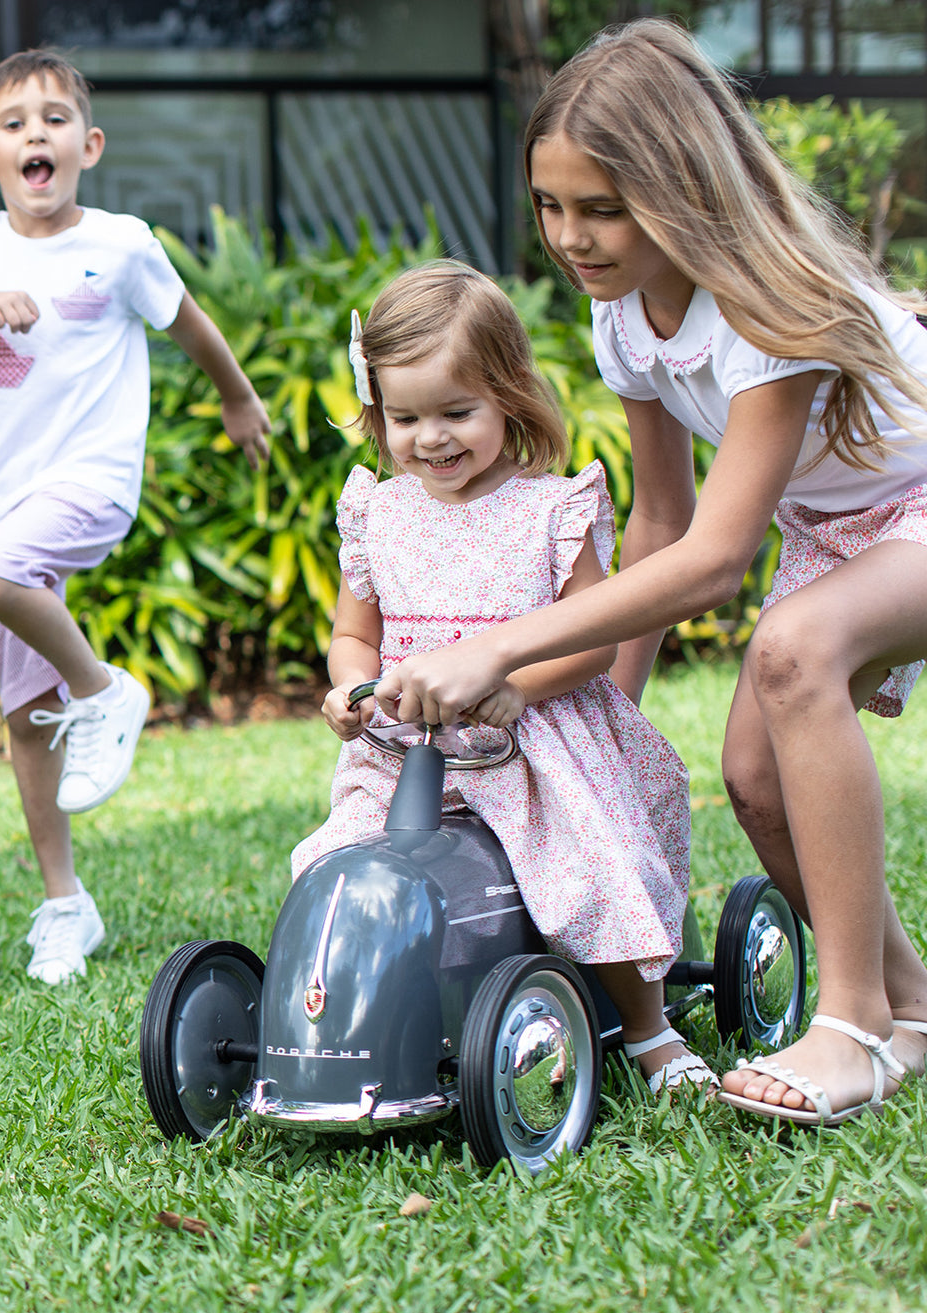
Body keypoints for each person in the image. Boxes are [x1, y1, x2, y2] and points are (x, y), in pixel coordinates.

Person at [374, 19, 927, 1126]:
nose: (570, 236)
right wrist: (595, 713)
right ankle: (914, 1006)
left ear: (683, 190)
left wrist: (501, 648)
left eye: (602, 208)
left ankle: (853, 1023)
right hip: (836, 527)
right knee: (759, 783)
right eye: (549, 205)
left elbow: (715, 560)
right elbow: (660, 521)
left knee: (795, 649)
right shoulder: (621, 313)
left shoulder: (766, 310)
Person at [292, 259, 716, 1095]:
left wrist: (521, 683)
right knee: (334, 869)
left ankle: (647, 1027)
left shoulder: (549, 509)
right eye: (405, 416)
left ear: (510, 398)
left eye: (458, 411)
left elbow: (595, 640)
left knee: (587, 868)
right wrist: (349, 688)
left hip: (529, 743)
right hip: (403, 750)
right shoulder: (377, 509)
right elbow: (354, 631)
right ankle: (362, 1020)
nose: (432, 438)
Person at [0, 49, 271, 984]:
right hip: (4, 500)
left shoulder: (121, 243)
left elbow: (189, 323)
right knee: (27, 719)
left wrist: (236, 396)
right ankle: (67, 905)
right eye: (15, 123)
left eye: (55, 119)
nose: (37, 134)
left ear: (88, 145)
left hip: (92, 482)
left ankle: (106, 691)